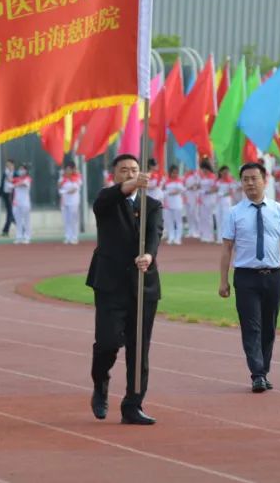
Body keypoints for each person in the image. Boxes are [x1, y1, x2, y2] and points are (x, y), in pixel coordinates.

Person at [87, 154, 162, 425]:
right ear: (115, 175)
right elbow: (106, 200)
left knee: (139, 348)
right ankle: (101, 383)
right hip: (110, 284)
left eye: (134, 169)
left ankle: (133, 404)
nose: (130, 173)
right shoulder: (107, 200)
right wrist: (128, 186)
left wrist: (148, 256)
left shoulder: (152, 205)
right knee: (107, 343)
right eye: (124, 170)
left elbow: (155, 234)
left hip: (143, 284)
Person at [218, 161, 280, 393]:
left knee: (269, 327)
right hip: (246, 277)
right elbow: (227, 248)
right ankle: (256, 373)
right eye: (245, 179)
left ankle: (263, 371)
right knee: (251, 326)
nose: (249, 183)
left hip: (273, 276)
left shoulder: (279, 210)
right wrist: (223, 280)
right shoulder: (234, 213)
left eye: (254, 178)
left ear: (264, 181)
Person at [59, 163, 83, 245]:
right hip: (64, 202)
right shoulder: (63, 178)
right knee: (66, 220)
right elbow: (59, 186)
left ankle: (74, 237)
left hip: (73, 202)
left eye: (69, 169)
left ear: (73, 170)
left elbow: (74, 190)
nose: (67, 171)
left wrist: (64, 191)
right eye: (66, 169)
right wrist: (61, 176)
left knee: (73, 220)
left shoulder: (77, 177)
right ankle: (67, 236)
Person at [162, 165, 186, 245]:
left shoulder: (179, 181)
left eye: (176, 173)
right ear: (170, 173)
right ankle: (171, 237)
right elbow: (163, 191)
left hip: (177, 203)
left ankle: (178, 238)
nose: (175, 174)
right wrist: (169, 193)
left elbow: (182, 190)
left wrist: (176, 192)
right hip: (168, 203)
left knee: (178, 221)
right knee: (169, 221)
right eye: (173, 173)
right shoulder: (166, 181)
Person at [12, 164, 33, 244]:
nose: (21, 171)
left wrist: (15, 184)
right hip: (17, 202)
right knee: (18, 221)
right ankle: (19, 237)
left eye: (22, 169)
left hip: (25, 203)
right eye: (20, 169)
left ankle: (27, 237)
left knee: (26, 220)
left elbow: (23, 184)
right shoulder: (16, 179)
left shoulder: (28, 179)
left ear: (26, 171)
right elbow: (9, 184)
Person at [0, 158, 16, 236]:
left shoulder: (15, 174)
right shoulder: (5, 173)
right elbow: (2, 185)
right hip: (5, 195)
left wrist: (12, 180)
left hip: (12, 195)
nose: (7, 166)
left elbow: (18, 182)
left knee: (10, 213)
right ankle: (22, 228)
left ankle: (5, 230)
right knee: (10, 213)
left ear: (12, 165)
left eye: (9, 165)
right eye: (6, 165)